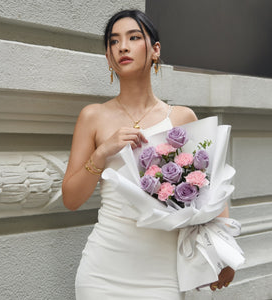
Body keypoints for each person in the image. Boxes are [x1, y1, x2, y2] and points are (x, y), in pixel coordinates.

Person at [62, 9, 234, 300]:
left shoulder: (181, 117)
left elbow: (212, 192)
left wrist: (223, 255)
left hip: (163, 274)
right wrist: (102, 152)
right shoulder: (93, 117)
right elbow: (71, 199)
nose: (123, 47)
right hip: (102, 271)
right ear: (108, 57)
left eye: (133, 37)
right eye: (114, 42)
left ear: (155, 50)